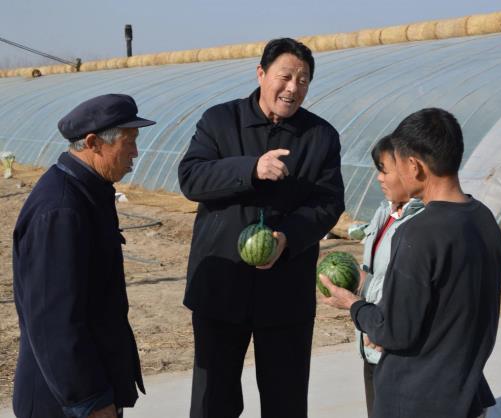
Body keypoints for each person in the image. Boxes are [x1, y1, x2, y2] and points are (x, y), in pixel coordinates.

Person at [178, 38, 344, 418]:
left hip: (285, 292)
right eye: (285, 76)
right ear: (261, 74)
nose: (292, 88)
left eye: (303, 81)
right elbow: (191, 178)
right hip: (221, 285)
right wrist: (249, 169)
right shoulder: (219, 121)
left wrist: (288, 238)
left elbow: (329, 202)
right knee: (213, 401)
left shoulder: (321, 136)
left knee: (285, 401)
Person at [321, 108, 501, 418]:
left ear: (414, 166)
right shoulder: (484, 219)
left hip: (418, 401)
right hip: (466, 395)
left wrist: (353, 304)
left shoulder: (417, 233)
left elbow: (394, 331)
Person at [12, 94, 156, 418]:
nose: (136, 152)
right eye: (128, 142)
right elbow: (54, 323)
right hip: (65, 403)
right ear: (93, 143)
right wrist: (89, 401)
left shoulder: (88, 193)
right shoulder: (62, 210)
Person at [355, 134, 424, 416]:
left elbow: (411, 288)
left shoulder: (423, 223)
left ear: (411, 168)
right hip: (373, 341)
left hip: (398, 348)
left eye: (384, 169)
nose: (379, 178)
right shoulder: (385, 212)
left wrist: (362, 288)